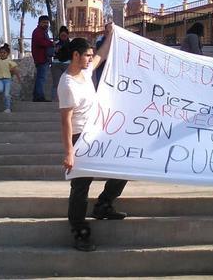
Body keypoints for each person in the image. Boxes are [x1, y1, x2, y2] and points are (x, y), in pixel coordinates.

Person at [58, 27, 127, 252]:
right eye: (86, 55)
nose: (90, 58)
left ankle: (104, 205)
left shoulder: (86, 73)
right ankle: (80, 233)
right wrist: (69, 151)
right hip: (79, 138)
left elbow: (102, 53)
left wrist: (112, 34)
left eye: (89, 55)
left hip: (98, 133)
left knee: (124, 168)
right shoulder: (67, 84)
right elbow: (65, 121)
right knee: (80, 187)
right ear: (75, 56)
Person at [0, 43, 21, 113]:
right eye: (1, 53)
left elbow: (15, 70)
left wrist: (18, 78)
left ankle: (7, 108)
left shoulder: (9, 61)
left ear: (7, 54)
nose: (2, 54)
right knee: (0, 89)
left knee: (6, 94)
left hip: (7, 80)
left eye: (4, 53)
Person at [31, 15, 54, 102]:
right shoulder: (38, 32)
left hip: (43, 58)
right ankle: (39, 97)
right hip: (41, 58)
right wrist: (51, 43)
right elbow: (41, 42)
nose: (46, 24)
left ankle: (36, 95)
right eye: (44, 22)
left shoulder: (43, 32)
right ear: (39, 23)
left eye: (47, 23)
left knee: (40, 78)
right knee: (41, 78)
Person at [51, 26, 71, 101]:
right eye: (62, 35)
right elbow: (50, 52)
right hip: (56, 64)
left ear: (67, 35)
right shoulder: (55, 43)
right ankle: (55, 100)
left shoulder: (71, 44)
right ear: (59, 35)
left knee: (68, 83)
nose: (63, 37)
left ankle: (67, 100)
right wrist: (55, 50)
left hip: (68, 64)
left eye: (65, 36)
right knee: (56, 83)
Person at [93, 22, 113, 89]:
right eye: (107, 30)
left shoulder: (115, 39)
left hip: (111, 66)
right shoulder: (100, 39)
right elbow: (99, 49)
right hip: (101, 65)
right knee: (100, 83)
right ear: (105, 30)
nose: (109, 31)